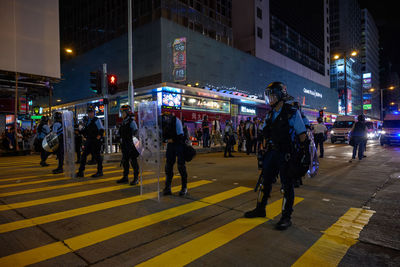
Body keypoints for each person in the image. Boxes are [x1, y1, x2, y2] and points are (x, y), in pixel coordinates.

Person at [244, 82, 308, 231]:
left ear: (280, 96)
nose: (270, 99)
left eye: (272, 96)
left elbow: (302, 135)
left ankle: (286, 217)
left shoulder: (292, 112)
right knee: (264, 182)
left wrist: (304, 156)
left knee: (287, 187)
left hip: (286, 154)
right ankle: (260, 209)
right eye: (268, 96)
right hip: (271, 153)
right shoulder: (270, 114)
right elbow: (263, 133)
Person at [162, 112, 188, 196]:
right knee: (168, 167)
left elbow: (180, 136)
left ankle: (184, 188)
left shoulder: (177, 121)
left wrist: (171, 140)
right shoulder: (163, 122)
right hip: (170, 146)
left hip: (179, 145)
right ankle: (167, 188)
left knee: (181, 166)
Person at [77, 106, 104, 178]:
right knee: (83, 156)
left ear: (94, 113)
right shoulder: (87, 121)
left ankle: (100, 171)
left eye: (91, 112)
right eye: (89, 113)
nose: (90, 114)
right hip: (89, 141)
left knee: (97, 156)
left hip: (95, 141)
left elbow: (101, 130)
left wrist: (98, 138)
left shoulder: (96, 120)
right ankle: (81, 172)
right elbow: (85, 131)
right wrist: (80, 130)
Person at [116, 105, 140, 185]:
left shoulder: (131, 121)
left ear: (127, 112)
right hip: (125, 144)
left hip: (131, 145)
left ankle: (136, 178)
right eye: (121, 112)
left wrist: (134, 144)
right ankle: (125, 177)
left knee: (133, 162)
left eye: (123, 112)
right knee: (125, 161)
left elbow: (136, 132)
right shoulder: (123, 122)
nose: (122, 114)